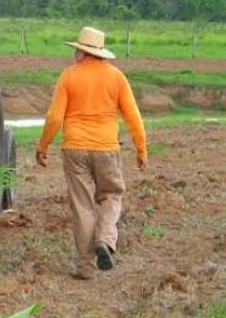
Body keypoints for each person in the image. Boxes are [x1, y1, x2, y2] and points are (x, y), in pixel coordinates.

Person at [36, 26, 147, 279]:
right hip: (107, 148)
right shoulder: (116, 77)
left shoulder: (69, 76)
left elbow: (54, 117)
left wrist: (43, 146)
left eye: (77, 50)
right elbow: (132, 116)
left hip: (74, 149)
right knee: (111, 195)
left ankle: (85, 267)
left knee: (83, 206)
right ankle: (106, 239)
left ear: (82, 53)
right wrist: (141, 148)